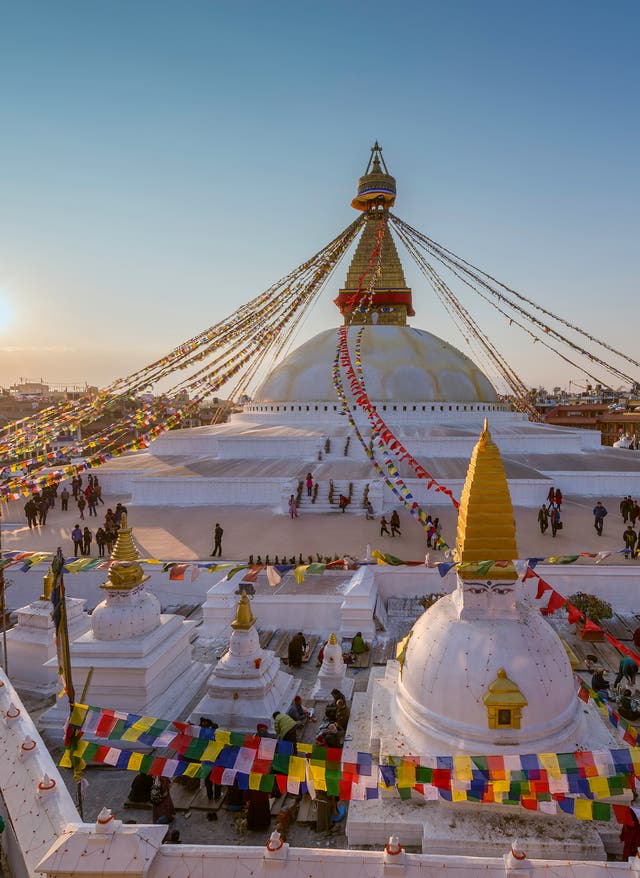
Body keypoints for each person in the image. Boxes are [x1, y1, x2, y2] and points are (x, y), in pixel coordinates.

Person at [199, 718, 222, 801]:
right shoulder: (219, 738)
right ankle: (217, 796)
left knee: (208, 780)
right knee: (217, 780)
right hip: (216, 763)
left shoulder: (205, 735)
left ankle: (209, 796)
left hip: (206, 762)